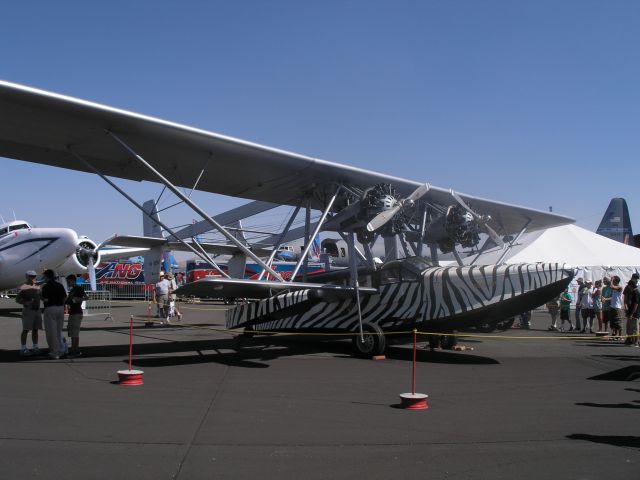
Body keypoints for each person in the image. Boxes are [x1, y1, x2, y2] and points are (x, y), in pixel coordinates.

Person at [41, 269, 67, 359]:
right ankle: (61, 350)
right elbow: (64, 298)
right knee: (58, 331)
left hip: (50, 308)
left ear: (47, 277)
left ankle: (54, 352)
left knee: (51, 332)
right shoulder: (59, 285)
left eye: (44, 276)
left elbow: (45, 299)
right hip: (60, 308)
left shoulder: (45, 287)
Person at [15, 270, 42, 356]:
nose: (33, 278)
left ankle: (35, 347)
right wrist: (25, 302)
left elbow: (40, 295)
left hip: (37, 310)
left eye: (34, 276)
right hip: (28, 310)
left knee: (36, 329)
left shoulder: (38, 286)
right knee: (26, 329)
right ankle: (23, 348)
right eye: (31, 276)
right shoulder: (24, 287)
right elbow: (17, 299)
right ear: (27, 277)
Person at [65, 274, 86, 357]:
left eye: (68, 281)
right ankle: (75, 349)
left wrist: (76, 300)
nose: (67, 283)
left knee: (74, 332)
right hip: (72, 312)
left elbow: (85, 297)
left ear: (73, 280)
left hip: (76, 312)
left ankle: (74, 351)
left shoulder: (78, 288)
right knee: (72, 332)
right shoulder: (73, 289)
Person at [623, 274, 639, 346]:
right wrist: (625, 306)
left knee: (635, 326)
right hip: (629, 310)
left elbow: (636, 304)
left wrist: (632, 313)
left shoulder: (636, 291)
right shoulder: (629, 289)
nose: (628, 286)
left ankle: (636, 341)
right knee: (629, 326)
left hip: (635, 312)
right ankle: (629, 339)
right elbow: (625, 298)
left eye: (629, 285)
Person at [609, 276, 624, 340]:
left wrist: (611, 280)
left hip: (617, 307)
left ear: (616, 281)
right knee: (612, 322)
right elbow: (611, 287)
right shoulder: (614, 288)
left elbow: (612, 286)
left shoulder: (620, 287)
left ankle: (620, 336)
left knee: (618, 322)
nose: (612, 281)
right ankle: (614, 334)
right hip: (612, 306)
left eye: (614, 280)